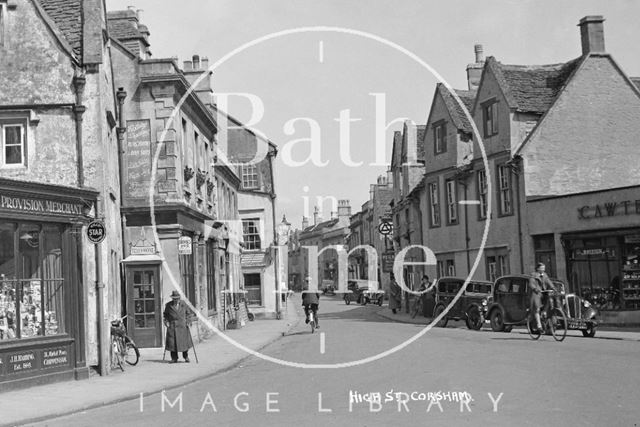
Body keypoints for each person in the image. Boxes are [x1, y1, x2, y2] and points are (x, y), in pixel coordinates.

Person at [163, 290, 194, 363]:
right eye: (174, 299)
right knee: (172, 343)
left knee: (184, 343)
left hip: (182, 325)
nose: (175, 300)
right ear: (172, 298)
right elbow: (165, 315)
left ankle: (186, 357)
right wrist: (166, 321)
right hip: (172, 326)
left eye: (177, 298)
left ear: (179, 298)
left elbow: (188, 314)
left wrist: (188, 321)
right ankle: (174, 358)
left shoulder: (184, 304)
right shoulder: (168, 305)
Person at [529, 262, 557, 331]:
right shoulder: (533, 275)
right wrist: (535, 289)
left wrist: (553, 288)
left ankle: (544, 311)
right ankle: (539, 325)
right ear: (538, 268)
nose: (543, 269)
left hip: (544, 292)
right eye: (542, 268)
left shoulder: (545, 275)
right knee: (537, 309)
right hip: (536, 293)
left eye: (544, 268)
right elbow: (531, 283)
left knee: (550, 300)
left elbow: (548, 282)